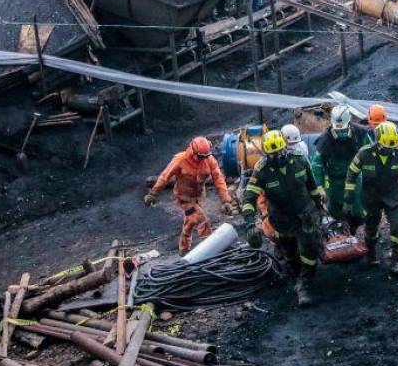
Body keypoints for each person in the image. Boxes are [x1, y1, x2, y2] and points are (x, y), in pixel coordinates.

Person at [242, 129, 326, 306]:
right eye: (273, 154)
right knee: (290, 255)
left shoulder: (300, 160)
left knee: (309, 250)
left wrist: (319, 204)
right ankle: (296, 276)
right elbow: (249, 197)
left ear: (286, 147)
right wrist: (250, 223)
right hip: (281, 219)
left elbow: (312, 184)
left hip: (305, 213)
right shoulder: (262, 170)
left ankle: (304, 286)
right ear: (266, 154)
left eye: (280, 151)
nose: (277, 156)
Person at [345, 121, 398, 274]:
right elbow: (352, 173)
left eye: (392, 147)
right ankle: (371, 254)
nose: (389, 150)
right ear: (378, 141)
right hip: (371, 196)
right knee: (371, 227)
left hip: (393, 195)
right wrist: (349, 197)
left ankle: (395, 261)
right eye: (386, 147)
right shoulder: (364, 153)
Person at [146, 136, 238, 254]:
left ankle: (183, 249)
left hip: (198, 197)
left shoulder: (209, 160)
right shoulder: (180, 160)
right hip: (183, 197)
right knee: (201, 219)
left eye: (205, 156)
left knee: (191, 220)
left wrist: (226, 200)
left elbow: (218, 179)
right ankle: (211, 248)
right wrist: (153, 193)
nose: (203, 159)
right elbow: (165, 176)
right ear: (193, 151)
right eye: (200, 156)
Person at [312, 105, 371, 232]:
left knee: (358, 209)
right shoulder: (324, 140)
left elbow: (371, 152)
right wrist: (320, 187)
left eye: (343, 129)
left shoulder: (360, 133)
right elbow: (316, 166)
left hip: (356, 177)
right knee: (334, 210)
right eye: (338, 130)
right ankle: (338, 233)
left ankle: (357, 229)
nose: (340, 133)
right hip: (334, 180)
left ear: (349, 121)